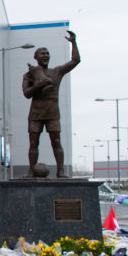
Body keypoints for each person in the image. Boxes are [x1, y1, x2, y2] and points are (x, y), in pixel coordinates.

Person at [22, 31, 80, 177]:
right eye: (42, 53)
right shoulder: (29, 75)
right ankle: (31, 171)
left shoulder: (57, 72)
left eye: (47, 53)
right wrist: (38, 85)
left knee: (56, 141)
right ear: (36, 57)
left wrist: (73, 42)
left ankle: (60, 171)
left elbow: (75, 61)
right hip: (35, 114)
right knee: (33, 144)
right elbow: (27, 94)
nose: (46, 56)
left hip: (52, 113)